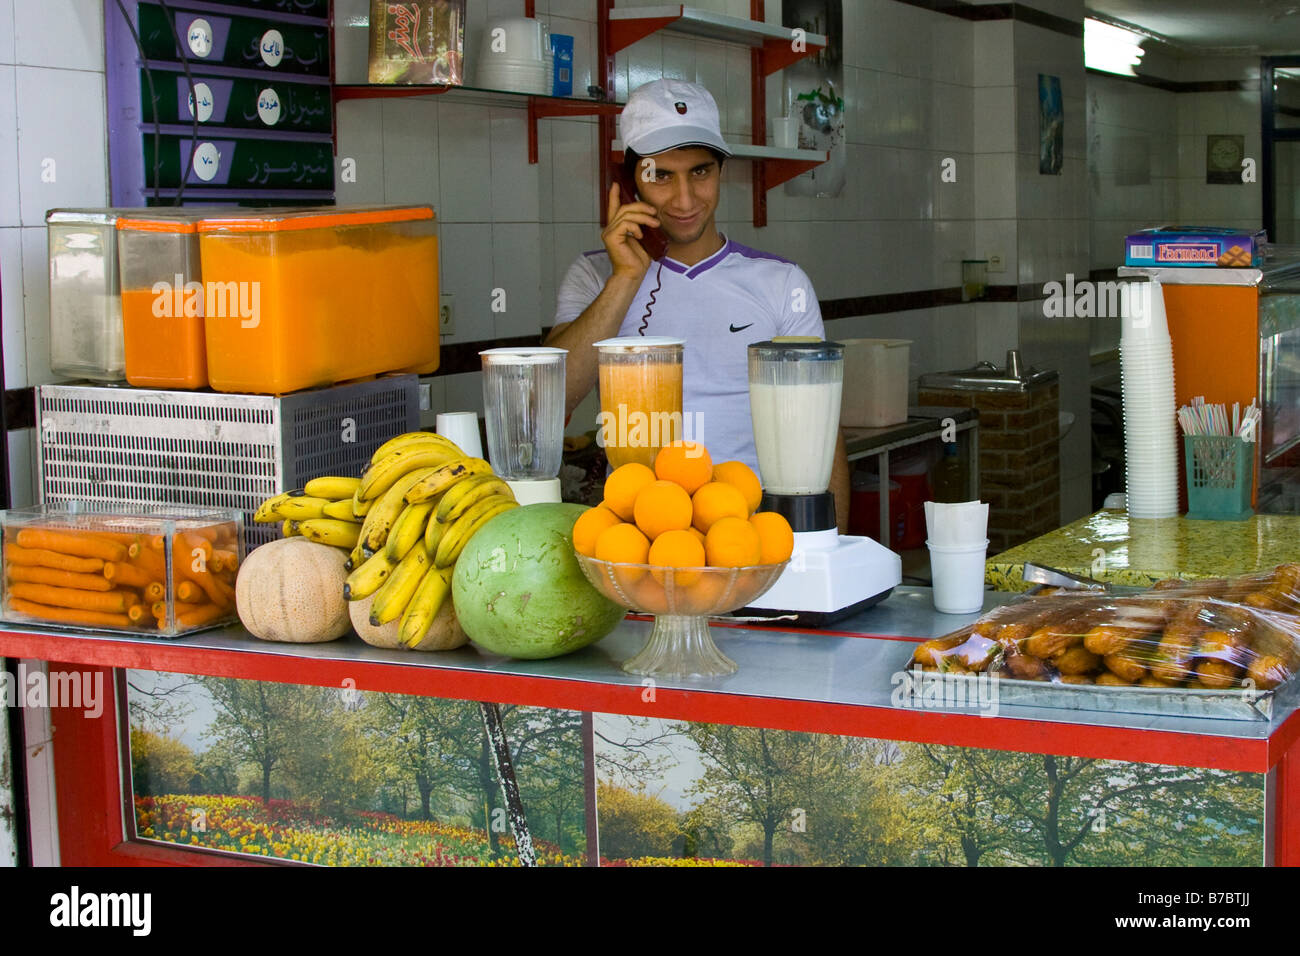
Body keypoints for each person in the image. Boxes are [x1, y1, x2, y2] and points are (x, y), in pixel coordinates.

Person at [546, 78, 850, 528]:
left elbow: (820, 434)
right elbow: (549, 405)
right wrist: (627, 278)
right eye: (661, 176)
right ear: (628, 183)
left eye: (700, 172)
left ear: (721, 170)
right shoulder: (595, 276)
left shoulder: (781, 282)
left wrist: (831, 552)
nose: (685, 200)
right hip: (641, 543)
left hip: (758, 536)